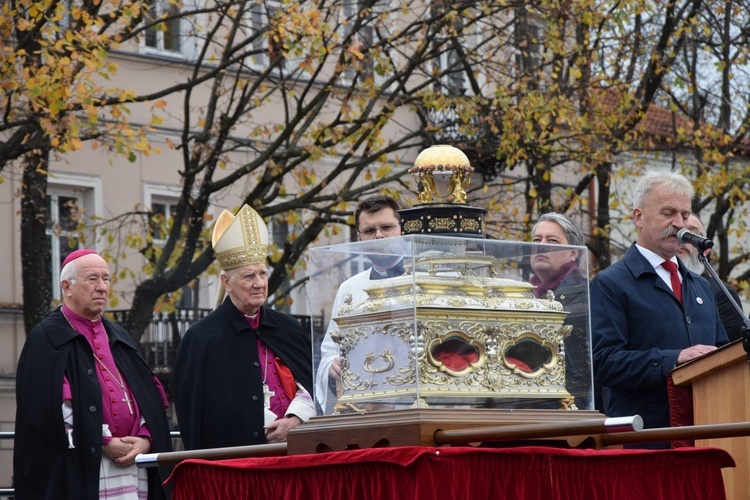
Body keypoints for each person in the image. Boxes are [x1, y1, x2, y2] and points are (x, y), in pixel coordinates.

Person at [14, 249, 173, 499]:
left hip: (134, 463)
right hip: (84, 468)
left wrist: (145, 438)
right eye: (92, 279)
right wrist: (102, 441)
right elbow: (49, 411)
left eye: (106, 279)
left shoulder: (119, 336)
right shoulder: (47, 338)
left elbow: (148, 396)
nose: (102, 287)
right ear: (67, 286)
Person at [591, 171, 728, 446]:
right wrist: (673, 359)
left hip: (706, 435)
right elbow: (604, 362)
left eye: (685, 214)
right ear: (638, 217)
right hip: (645, 442)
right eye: (668, 213)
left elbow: (724, 355)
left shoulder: (702, 287)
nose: (680, 224)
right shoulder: (610, 284)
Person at [173, 205, 314, 449]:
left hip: (296, 451)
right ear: (226, 282)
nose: (259, 283)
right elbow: (193, 414)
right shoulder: (201, 337)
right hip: (236, 464)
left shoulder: (289, 328)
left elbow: (313, 386)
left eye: (262, 274)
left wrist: (296, 417)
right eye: (249, 276)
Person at [315, 195, 403, 412]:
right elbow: (329, 351)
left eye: (387, 227)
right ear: (360, 237)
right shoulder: (349, 289)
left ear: (402, 230)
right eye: (370, 230)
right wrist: (332, 363)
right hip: (363, 405)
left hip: (412, 404)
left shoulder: (423, 280)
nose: (379, 235)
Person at [529, 212, 592, 409]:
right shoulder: (524, 294)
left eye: (552, 240)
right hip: (525, 405)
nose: (541, 244)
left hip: (567, 409)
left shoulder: (587, 295)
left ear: (573, 253)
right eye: (537, 239)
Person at [679, 214, 747, 342]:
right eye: (679, 233)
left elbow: (729, 354)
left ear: (706, 249)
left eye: (691, 234)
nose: (684, 240)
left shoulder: (721, 294)